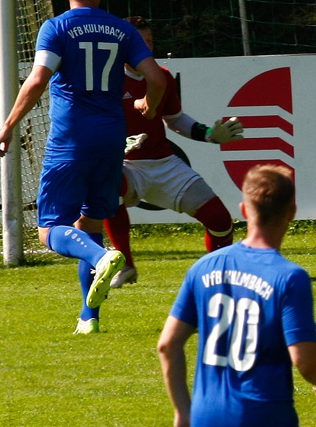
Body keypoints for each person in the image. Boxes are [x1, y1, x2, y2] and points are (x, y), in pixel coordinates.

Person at [0, 0, 167, 334]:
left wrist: (7, 126)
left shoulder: (56, 27)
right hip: (110, 139)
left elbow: (38, 80)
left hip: (70, 139)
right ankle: (89, 318)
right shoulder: (122, 30)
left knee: (50, 229)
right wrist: (150, 109)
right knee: (88, 224)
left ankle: (103, 257)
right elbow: (155, 77)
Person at [158, 164, 316, 427]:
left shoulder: (204, 268)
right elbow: (306, 361)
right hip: (265, 420)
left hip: (207, 420)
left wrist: (183, 411)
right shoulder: (288, 277)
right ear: (292, 212)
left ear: (243, 210)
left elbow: (168, 345)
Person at [101, 16, 245, 289]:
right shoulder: (107, 79)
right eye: (141, 43)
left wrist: (210, 135)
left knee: (220, 220)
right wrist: (114, 146)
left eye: (151, 42)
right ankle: (125, 262)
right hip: (126, 165)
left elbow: (176, 120)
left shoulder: (162, 76)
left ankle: (214, 280)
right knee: (107, 183)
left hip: (164, 164)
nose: (148, 48)